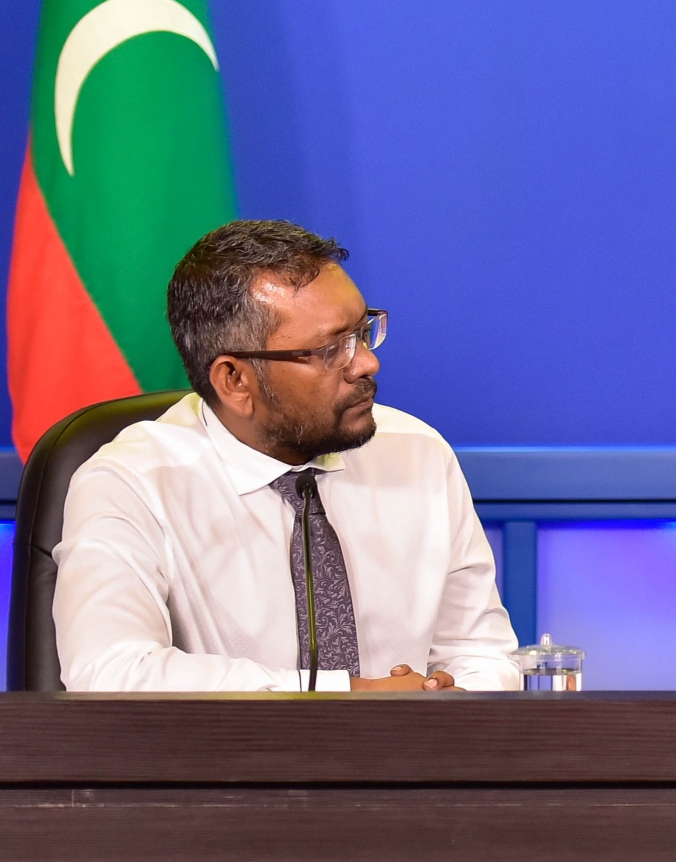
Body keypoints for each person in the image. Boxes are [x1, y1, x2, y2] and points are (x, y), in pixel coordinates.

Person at [53, 220, 522, 692]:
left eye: (362, 332)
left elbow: (482, 652)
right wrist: (349, 695)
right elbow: (108, 670)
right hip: (224, 745)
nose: (366, 363)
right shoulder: (132, 483)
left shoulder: (417, 453)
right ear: (235, 380)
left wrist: (455, 698)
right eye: (331, 349)